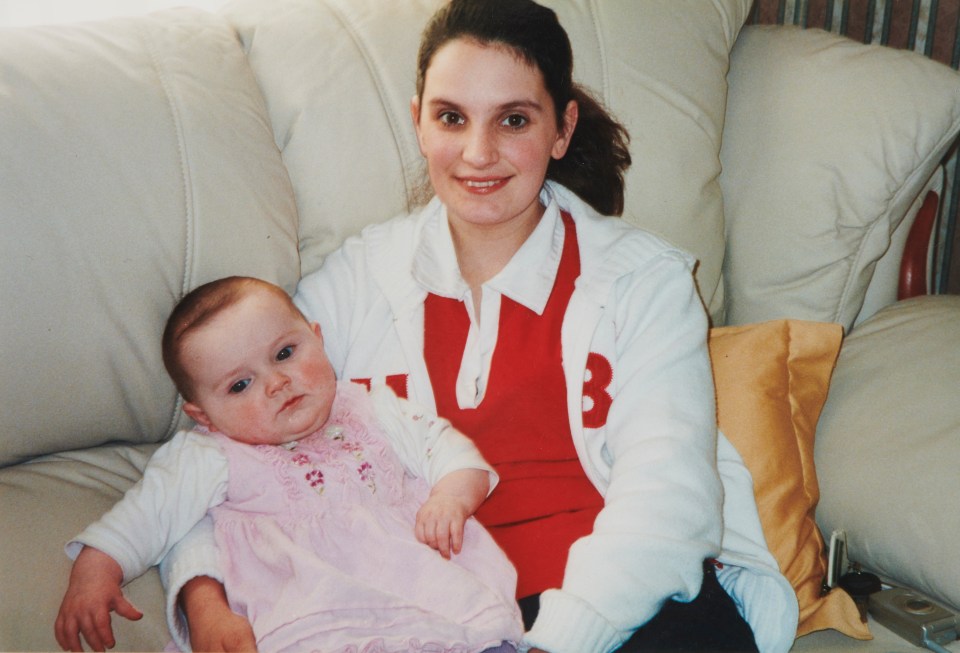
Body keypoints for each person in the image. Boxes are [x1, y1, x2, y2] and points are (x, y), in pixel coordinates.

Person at [164, 0, 801, 652]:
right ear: (417, 122)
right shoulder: (358, 284)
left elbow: (668, 504)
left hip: (634, 609)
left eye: (514, 120)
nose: (477, 153)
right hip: (437, 618)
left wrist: (556, 639)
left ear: (561, 128)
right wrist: (201, 595)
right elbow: (217, 452)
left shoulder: (644, 283)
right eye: (450, 117)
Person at [54, 276, 523, 653]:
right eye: (240, 385)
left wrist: (450, 496)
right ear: (203, 415)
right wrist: (94, 573)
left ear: (317, 339)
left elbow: (447, 449)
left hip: (431, 597)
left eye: (285, 354)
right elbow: (145, 515)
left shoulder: (370, 406)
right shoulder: (209, 455)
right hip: (312, 614)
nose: (277, 383)